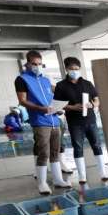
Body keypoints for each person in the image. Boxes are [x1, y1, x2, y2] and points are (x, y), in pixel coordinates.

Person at [15, 50, 70, 195]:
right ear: (27, 63)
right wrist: (42, 109)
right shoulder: (22, 79)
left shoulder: (45, 80)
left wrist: (57, 109)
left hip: (54, 120)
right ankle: (42, 183)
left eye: (40, 64)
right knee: (44, 153)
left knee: (55, 152)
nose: (37, 66)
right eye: (34, 64)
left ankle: (58, 180)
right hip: (40, 121)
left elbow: (52, 99)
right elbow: (22, 101)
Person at [53, 56, 108, 184]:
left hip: (90, 120)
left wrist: (93, 105)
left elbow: (97, 100)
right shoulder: (61, 86)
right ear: (66, 69)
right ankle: (82, 176)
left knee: (97, 145)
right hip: (74, 122)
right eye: (71, 69)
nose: (74, 71)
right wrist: (72, 107)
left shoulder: (87, 84)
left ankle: (103, 173)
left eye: (76, 69)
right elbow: (57, 105)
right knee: (78, 147)